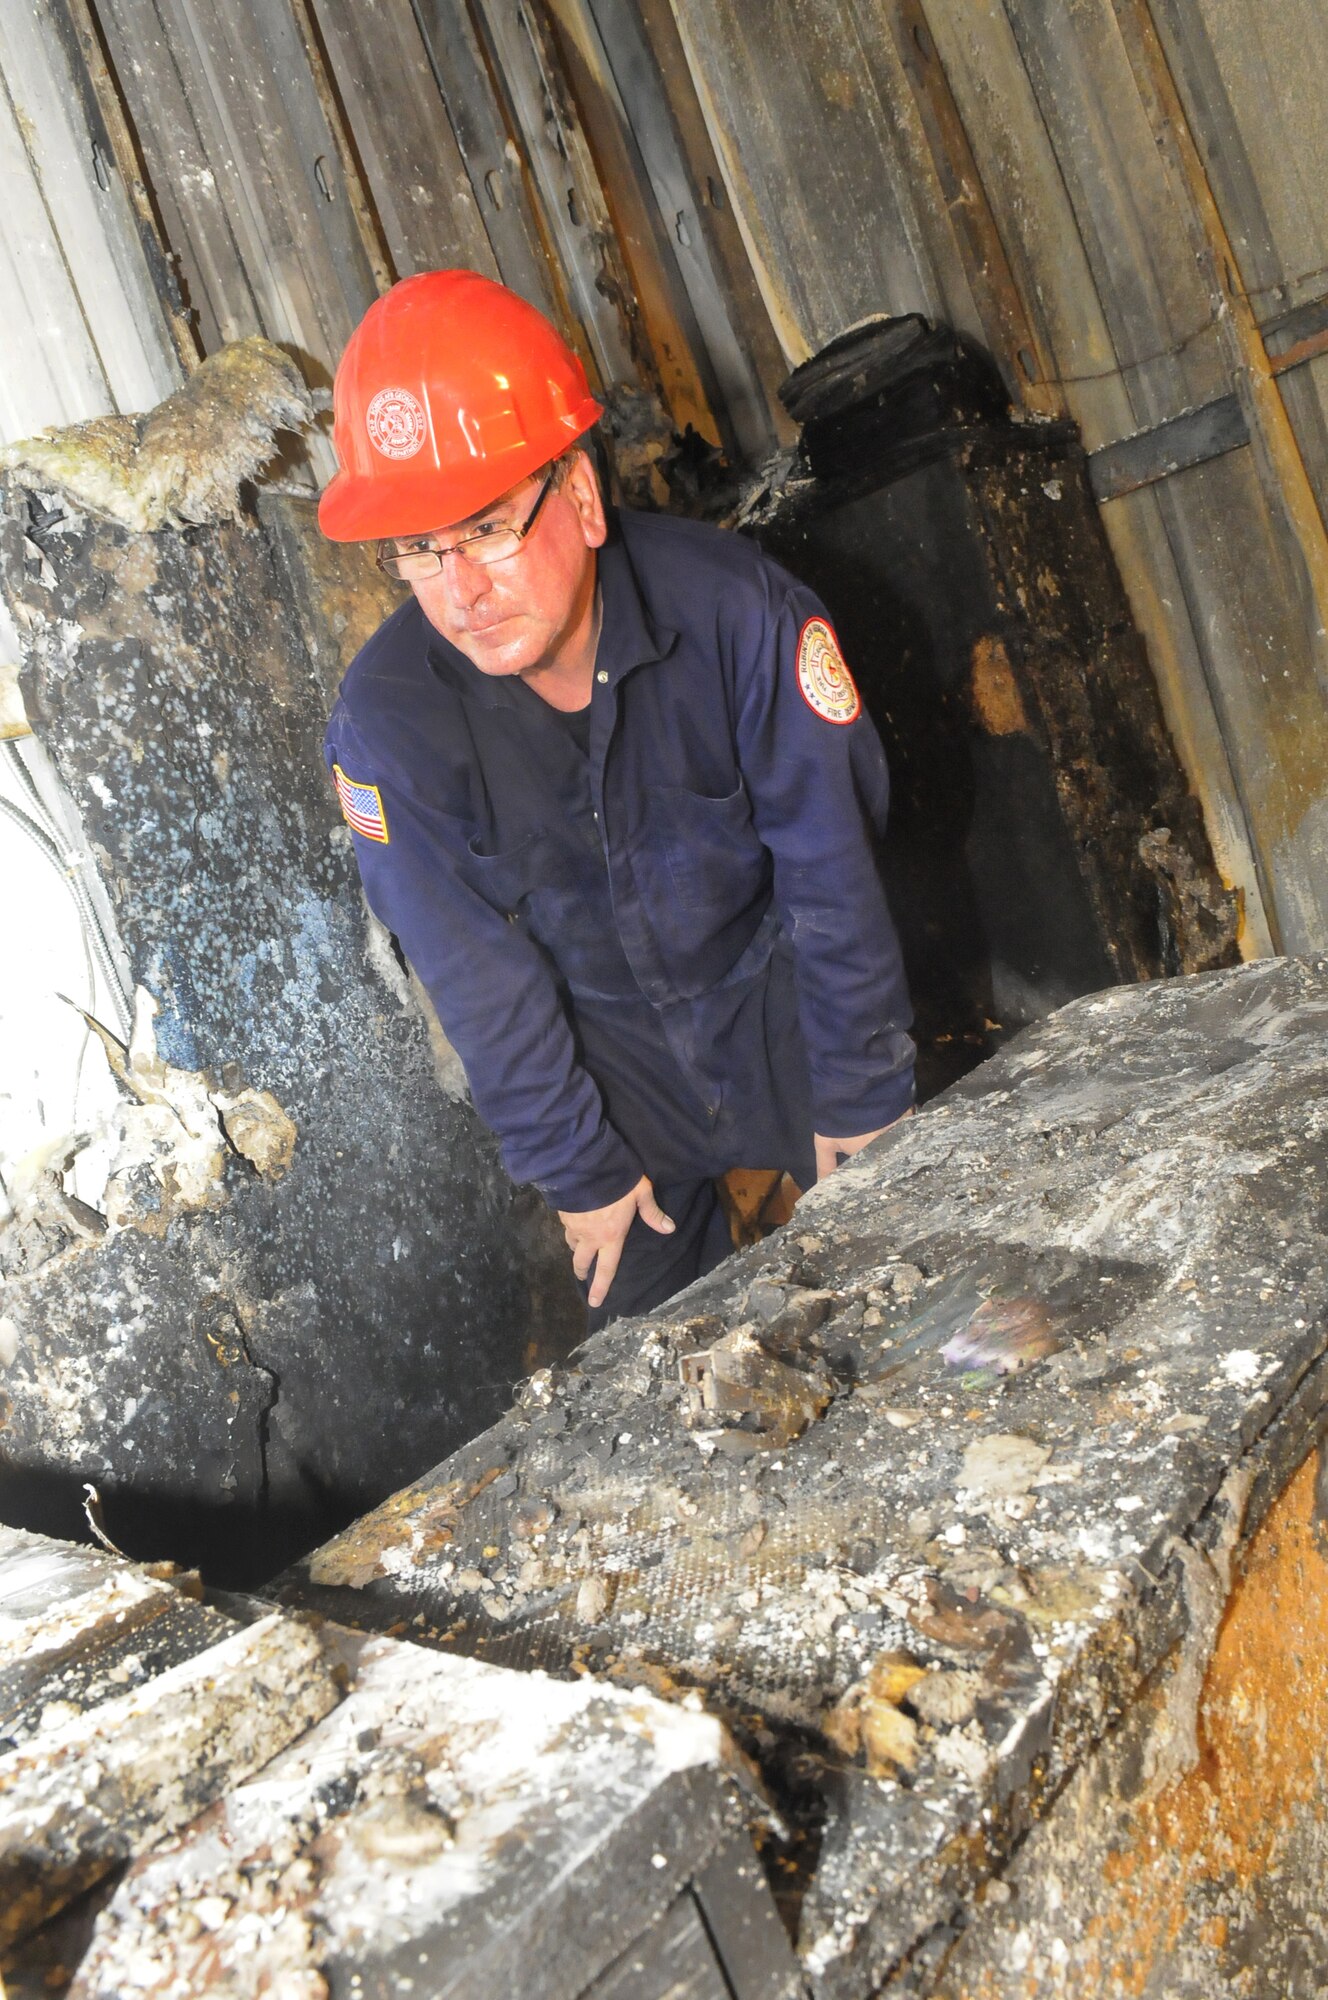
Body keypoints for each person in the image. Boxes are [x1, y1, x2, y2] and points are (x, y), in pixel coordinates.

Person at [319, 270, 915, 1328]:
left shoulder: (738, 612)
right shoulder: (387, 722)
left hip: (774, 992)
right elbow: (473, 970)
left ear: (581, 496)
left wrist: (863, 1087)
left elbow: (831, 865)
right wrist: (573, 1164)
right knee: (644, 1381)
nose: (460, 591)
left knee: (911, 1281)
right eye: (417, 549)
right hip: (602, 1061)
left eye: (487, 528)